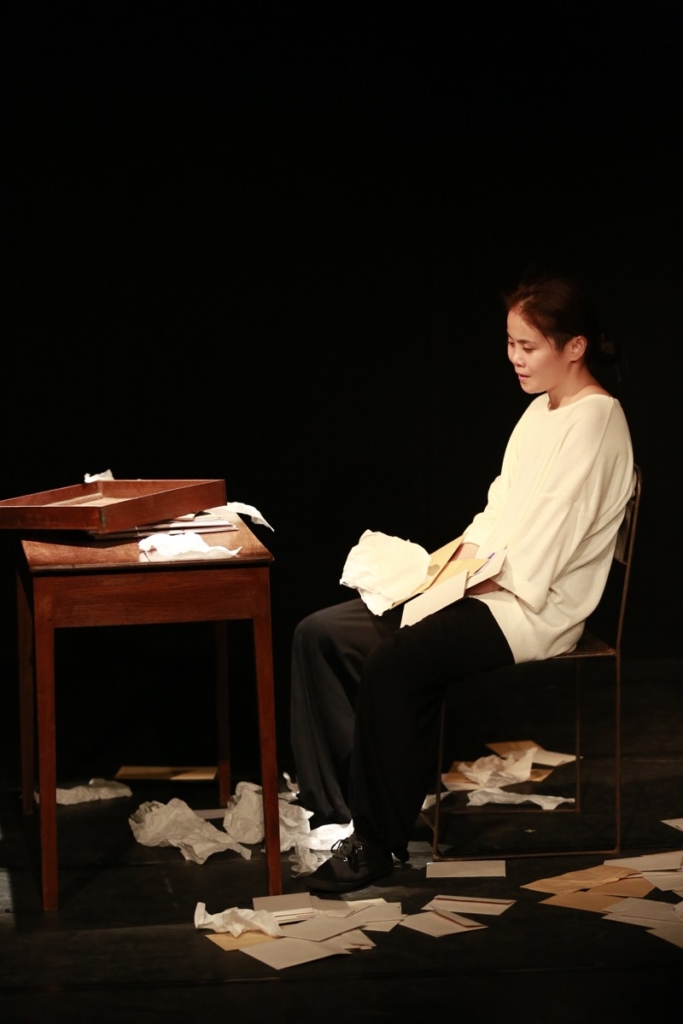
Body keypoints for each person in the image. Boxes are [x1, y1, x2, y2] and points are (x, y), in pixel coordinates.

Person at [290, 273, 635, 893]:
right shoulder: (540, 410)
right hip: (488, 584)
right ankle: (340, 808)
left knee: (397, 661)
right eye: (510, 343)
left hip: (531, 606)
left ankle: (376, 842)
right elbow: (496, 511)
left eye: (528, 346)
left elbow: (548, 545)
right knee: (322, 632)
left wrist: (458, 590)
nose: (515, 358)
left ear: (575, 347)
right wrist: (442, 571)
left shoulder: (596, 421)